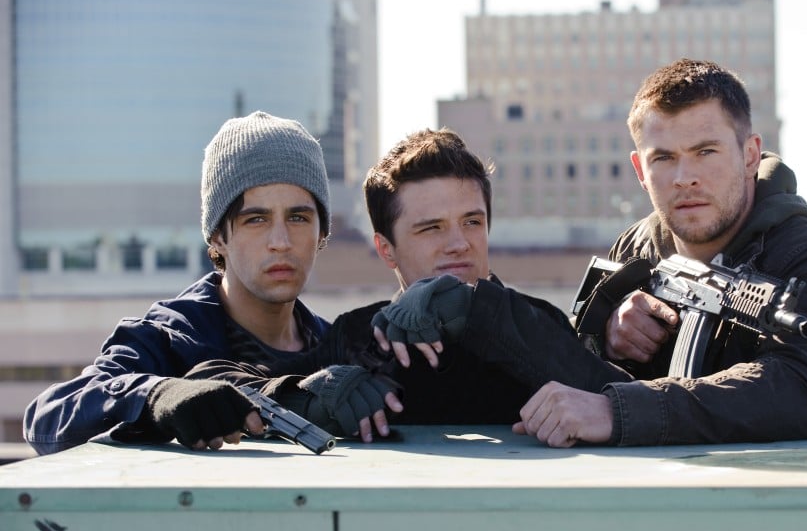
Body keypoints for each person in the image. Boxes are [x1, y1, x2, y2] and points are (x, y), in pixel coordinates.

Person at [506, 58, 807, 447]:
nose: (685, 178)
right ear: (640, 171)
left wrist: (621, 411)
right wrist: (607, 335)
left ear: (750, 155)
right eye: (663, 158)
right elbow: (577, 361)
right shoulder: (634, 248)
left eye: (705, 152)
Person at [187, 128, 629, 430]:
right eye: (431, 228)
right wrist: (303, 397)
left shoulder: (536, 323)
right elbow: (215, 381)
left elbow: (630, 403)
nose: (458, 244)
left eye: (472, 222)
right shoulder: (360, 338)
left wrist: (474, 311)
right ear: (387, 250)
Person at [23, 111, 398, 455]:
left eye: (298, 218)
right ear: (218, 237)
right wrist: (158, 395)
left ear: (321, 233)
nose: (281, 241)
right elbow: (48, 417)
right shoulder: (170, 339)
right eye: (256, 219)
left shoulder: (334, 343)